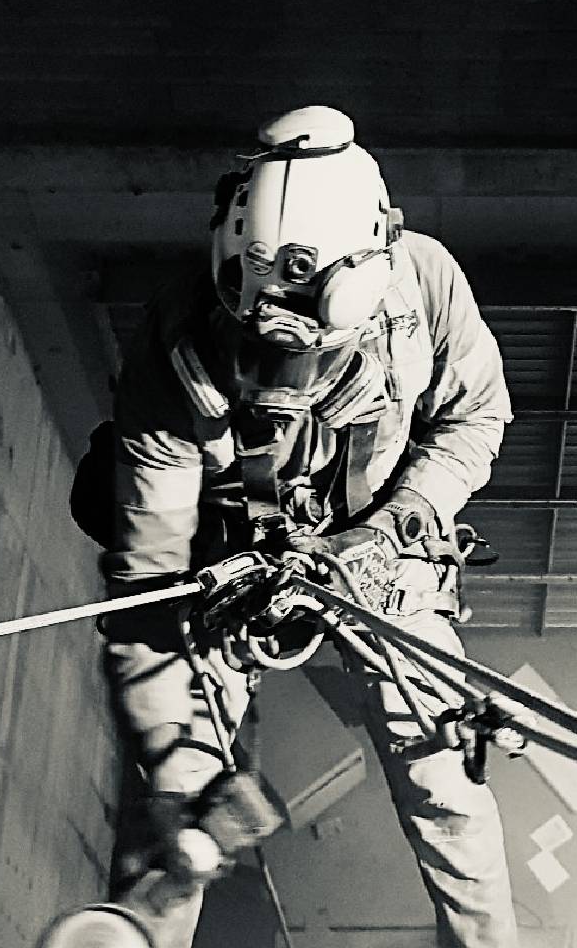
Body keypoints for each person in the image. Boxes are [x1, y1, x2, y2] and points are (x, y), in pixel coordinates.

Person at [73, 106, 519, 948]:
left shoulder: (422, 283)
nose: (279, 381)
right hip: (226, 576)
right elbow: (146, 583)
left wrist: (396, 526)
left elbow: (476, 419)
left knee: (447, 790)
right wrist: (173, 770)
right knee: (171, 818)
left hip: (382, 563)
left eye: (309, 356)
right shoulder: (177, 341)